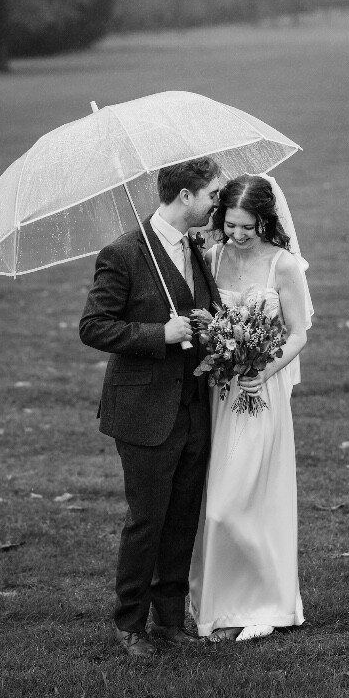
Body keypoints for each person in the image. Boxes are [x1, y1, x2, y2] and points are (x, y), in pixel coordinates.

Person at [79, 158, 221, 658]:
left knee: (182, 516)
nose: (215, 203)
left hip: (193, 408)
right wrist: (157, 334)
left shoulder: (195, 247)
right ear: (185, 195)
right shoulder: (122, 253)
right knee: (148, 519)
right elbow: (94, 326)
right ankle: (129, 622)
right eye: (210, 194)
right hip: (143, 411)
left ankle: (168, 617)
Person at [189, 174, 313, 642]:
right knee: (216, 503)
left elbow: (299, 331)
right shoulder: (212, 258)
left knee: (256, 497)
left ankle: (268, 605)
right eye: (230, 223)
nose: (238, 234)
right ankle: (218, 608)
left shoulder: (284, 266)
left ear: (266, 220)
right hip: (220, 392)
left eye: (248, 226)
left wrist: (262, 369)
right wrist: (216, 346)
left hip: (263, 391)